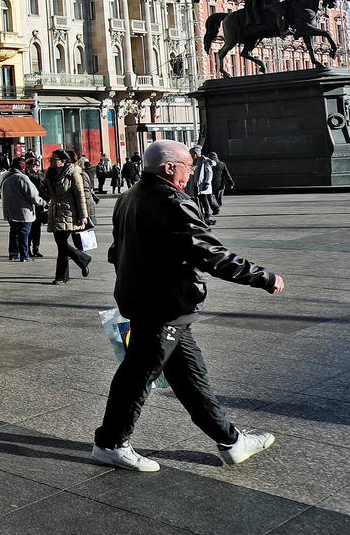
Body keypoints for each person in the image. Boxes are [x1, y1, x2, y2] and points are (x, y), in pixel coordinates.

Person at [92, 140, 283, 473]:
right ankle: (110, 443)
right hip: (163, 305)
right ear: (170, 168)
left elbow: (115, 251)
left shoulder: (127, 197)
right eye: (188, 166)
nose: (191, 172)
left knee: (190, 380)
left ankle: (231, 442)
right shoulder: (173, 201)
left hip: (149, 301)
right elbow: (211, 254)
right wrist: (264, 277)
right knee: (137, 377)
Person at [46, 150, 93, 284]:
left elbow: (80, 195)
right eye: (51, 159)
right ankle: (82, 259)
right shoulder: (50, 173)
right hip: (55, 211)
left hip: (69, 212)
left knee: (62, 245)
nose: (51, 162)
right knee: (61, 245)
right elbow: (49, 194)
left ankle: (61, 277)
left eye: (54, 159)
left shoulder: (73, 173)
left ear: (63, 160)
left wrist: (84, 215)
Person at [1, 157, 43, 263]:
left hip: (10, 210)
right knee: (24, 232)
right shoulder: (22, 178)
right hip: (23, 211)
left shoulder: (5, 176)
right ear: (22, 166)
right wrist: (43, 203)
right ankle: (24, 255)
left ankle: (13, 253)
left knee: (14, 232)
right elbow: (33, 196)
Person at [190, 147, 217, 223]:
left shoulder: (204, 160)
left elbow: (209, 172)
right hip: (197, 185)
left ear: (196, 154)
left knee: (204, 200)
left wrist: (207, 182)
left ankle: (207, 215)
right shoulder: (195, 161)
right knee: (198, 201)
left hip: (203, 184)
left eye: (192, 154)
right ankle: (201, 215)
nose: (191, 155)